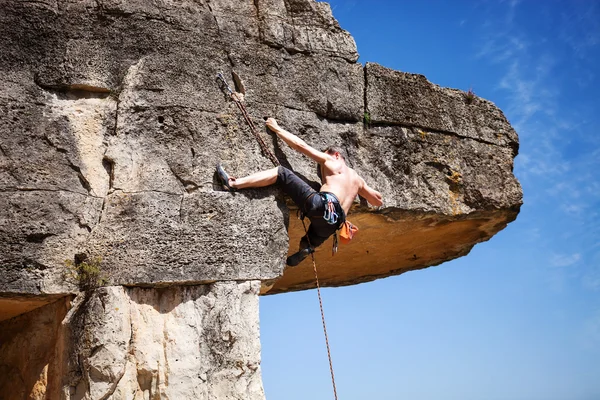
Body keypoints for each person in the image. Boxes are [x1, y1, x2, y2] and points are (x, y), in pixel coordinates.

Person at [217, 118, 383, 266]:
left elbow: (301, 146)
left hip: (323, 205)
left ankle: (234, 183)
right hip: (334, 223)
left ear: (337, 155)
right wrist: (365, 190)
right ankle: (307, 248)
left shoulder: (332, 160)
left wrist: (276, 128)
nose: (321, 170)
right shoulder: (358, 180)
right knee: (310, 239)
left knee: (281, 173)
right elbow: (377, 201)